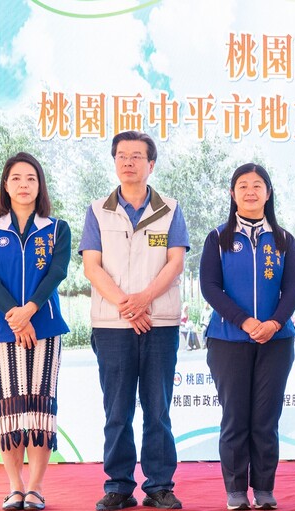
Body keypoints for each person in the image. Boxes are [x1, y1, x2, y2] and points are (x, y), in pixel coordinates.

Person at [80, 131, 190, 510]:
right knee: (117, 411)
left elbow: (175, 262)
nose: (129, 162)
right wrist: (127, 306)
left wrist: (144, 300)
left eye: (137, 156)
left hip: (159, 322)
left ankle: (159, 486)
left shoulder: (170, 209)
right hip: (112, 325)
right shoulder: (98, 210)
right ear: (115, 162)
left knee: (158, 410)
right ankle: (119, 486)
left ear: (151, 164)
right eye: (122, 156)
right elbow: (92, 267)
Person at [199, 163, 295, 510]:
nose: (250, 191)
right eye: (242, 185)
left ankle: (264, 489)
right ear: (232, 194)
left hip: (276, 341)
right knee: (235, 418)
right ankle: (235, 491)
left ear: (268, 193)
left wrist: (274, 323)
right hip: (228, 339)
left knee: (265, 419)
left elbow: (293, 288)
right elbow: (210, 286)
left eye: (257, 185)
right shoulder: (217, 238)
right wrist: (244, 321)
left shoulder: (284, 239)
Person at [0, 152, 71, 511]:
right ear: (5, 184)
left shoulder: (57, 228)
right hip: (1, 330)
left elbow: (57, 272)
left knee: (39, 410)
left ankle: (35, 488)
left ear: (40, 185)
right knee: (9, 411)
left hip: (45, 328)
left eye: (31, 178)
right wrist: (14, 316)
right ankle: (14, 487)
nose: (23, 185)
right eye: (16, 178)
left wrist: (29, 311)